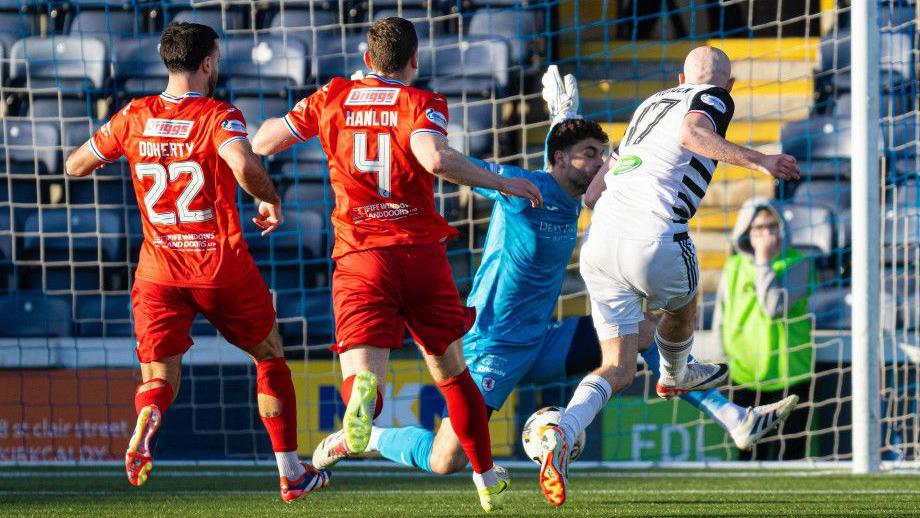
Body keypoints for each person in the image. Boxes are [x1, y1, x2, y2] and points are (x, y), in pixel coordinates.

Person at [310, 66, 797, 479]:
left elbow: (573, 154)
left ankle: (733, 417)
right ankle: (368, 436)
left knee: (644, 334)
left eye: (604, 155)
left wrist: (565, 116)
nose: (602, 163)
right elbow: (465, 167)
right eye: (591, 155)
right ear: (561, 160)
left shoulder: (589, 197)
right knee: (445, 460)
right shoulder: (521, 189)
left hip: (543, 341)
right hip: (492, 344)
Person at [251, 17, 542, 513]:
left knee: (363, 377)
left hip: (361, 257)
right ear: (414, 62)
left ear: (367, 59)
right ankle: (485, 476)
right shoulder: (421, 102)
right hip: (421, 257)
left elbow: (261, 142)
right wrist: (502, 182)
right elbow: (435, 159)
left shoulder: (332, 97)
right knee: (453, 374)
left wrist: (268, 193)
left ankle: (364, 397)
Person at [63, 22, 330, 502]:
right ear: (208, 62)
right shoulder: (218, 115)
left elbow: (75, 165)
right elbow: (244, 163)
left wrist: (125, 149)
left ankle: (149, 420)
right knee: (268, 353)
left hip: (158, 271)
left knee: (161, 376)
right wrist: (270, 198)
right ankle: (291, 472)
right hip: (218, 265)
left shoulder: (134, 115)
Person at [543, 46, 802, 507]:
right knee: (683, 302)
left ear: (678, 74)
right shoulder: (713, 97)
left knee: (617, 365)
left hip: (599, 245)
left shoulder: (649, 105)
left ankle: (562, 430)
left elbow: (594, 192)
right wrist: (761, 160)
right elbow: (692, 133)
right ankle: (677, 374)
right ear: (730, 85)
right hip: (653, 235)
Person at [714, 197, 815, 460]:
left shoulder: (798, 262)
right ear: (746, 232)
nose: (767, 234)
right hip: (746, 374)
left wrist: (764, 262)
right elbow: (722, 315)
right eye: (758, 228)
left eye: (772, 226)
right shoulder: (734, 266)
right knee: (749, 455)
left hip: (790, 373)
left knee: (790, 456)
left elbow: (774, 307)